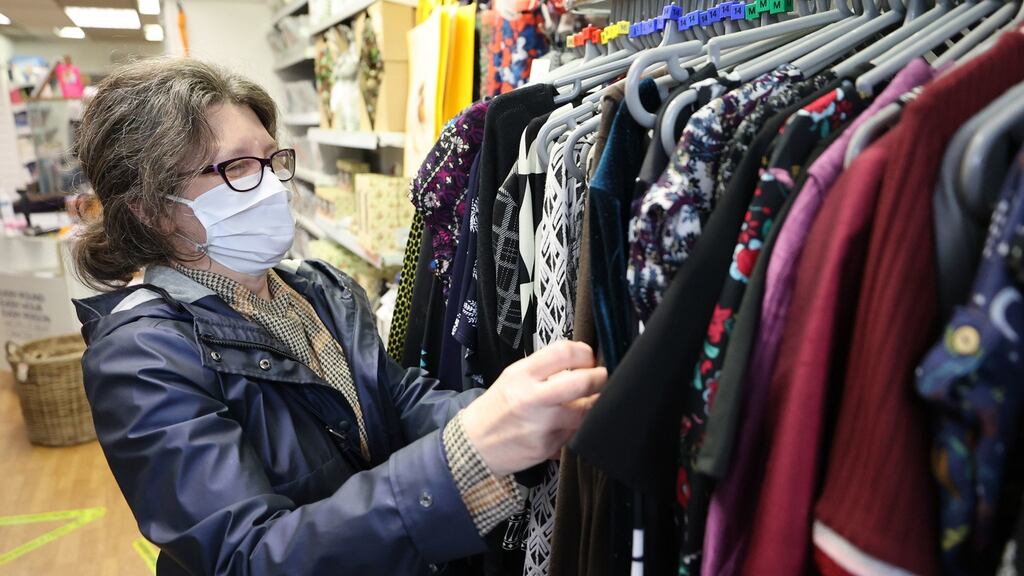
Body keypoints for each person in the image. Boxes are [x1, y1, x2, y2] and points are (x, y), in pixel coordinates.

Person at [71, 57, 606, 576]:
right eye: (236, 168)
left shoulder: (316, 288)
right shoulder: (141, 358)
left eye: (272, 159)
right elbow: (248, 556)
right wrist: (461, 460)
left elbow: (397, 401)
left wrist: (515, 410)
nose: (273, 187)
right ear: (151, 208)